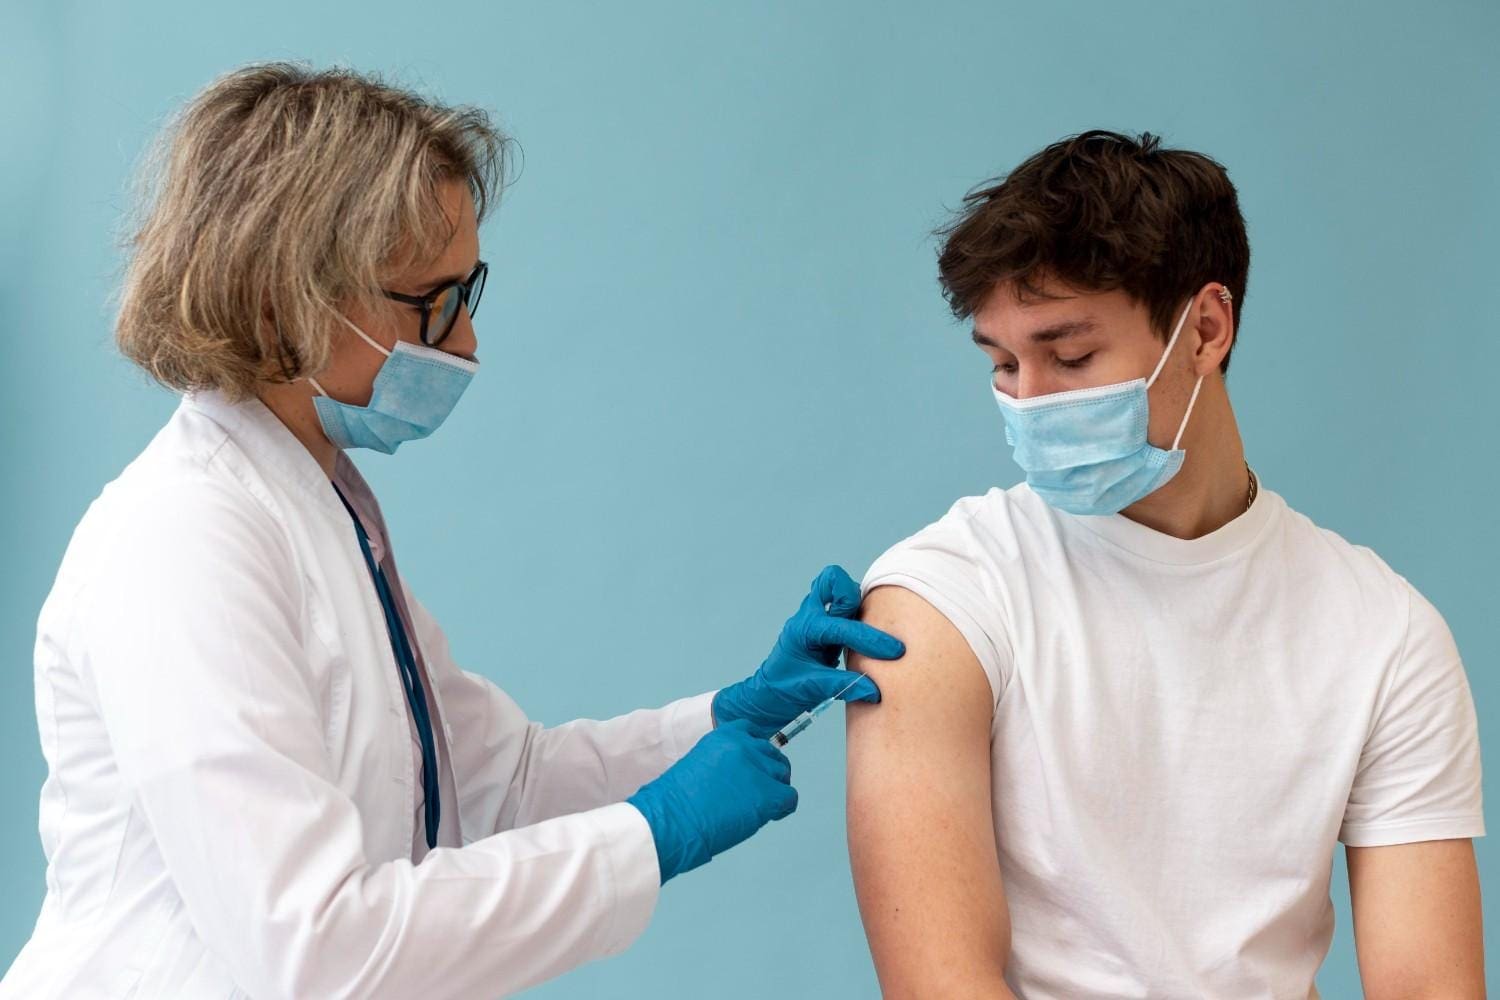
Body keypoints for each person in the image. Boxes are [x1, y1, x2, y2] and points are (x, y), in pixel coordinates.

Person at [1, 63, 904, 999]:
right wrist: (651, 832)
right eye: (431, 300)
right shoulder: (182, 541)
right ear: (280, 300)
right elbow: (317, 952)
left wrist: (725, 719)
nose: (464, 343)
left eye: (467, 293)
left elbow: (492, 786)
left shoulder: (319, 508)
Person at [844, 131, 1485, 998]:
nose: (1028, 404)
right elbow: (941, 984)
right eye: (1003, 363)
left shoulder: (1385, 635)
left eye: (1069, 356)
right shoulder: (945, 600)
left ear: (1207, 328)